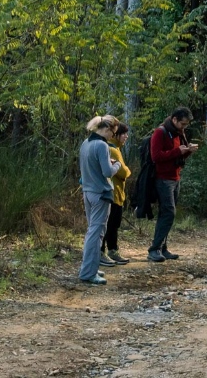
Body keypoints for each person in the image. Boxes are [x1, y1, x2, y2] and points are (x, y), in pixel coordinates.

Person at [146, 106, 199, 262]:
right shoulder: (160, 132)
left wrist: (188, 150)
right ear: (174, 119)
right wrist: (178, 151)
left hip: (175, 178)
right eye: (182, 124)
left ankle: (162, 247)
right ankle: (154, 249)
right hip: (163, 179)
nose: (184, 127)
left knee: (167, 213)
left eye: (186, 125)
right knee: (169, 212)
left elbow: (178, 157)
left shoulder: (178, 133)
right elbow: (156, 156)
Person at [78, 115, 121, 285]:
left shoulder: (85, 143)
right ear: (108, 129)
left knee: (92, 232)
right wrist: (116, 164)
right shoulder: (102, 145)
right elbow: (108, 172)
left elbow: (88, 166)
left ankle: (91, 267)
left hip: (87, 192)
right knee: (96, 235)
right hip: (100, 194)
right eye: (114, 133)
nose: (113, 137)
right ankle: (88, 273)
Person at [102, 120, 132, 266]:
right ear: (116, 134)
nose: (126, 136)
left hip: (116, 193)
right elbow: (123, 172)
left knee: (112, 224)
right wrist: (127, 170)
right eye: (123, 133)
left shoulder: (116, 148)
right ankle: (107, 251)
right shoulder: (112, 149)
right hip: (113, 193)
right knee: (110, 224)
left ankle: (111, 251)